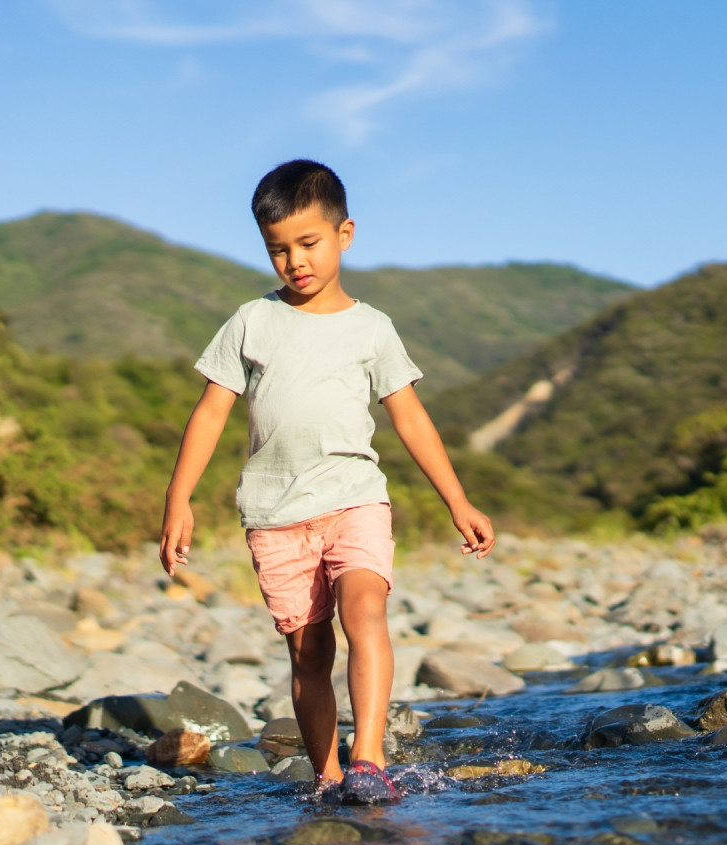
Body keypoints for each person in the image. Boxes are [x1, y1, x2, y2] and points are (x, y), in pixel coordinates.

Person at [158, 159, 495, 804]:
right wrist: (179, 501)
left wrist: (458, 499)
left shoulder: (372, 328)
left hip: (354, 499)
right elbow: (208, 413)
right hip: (274, 513)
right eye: (278, 250)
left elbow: (410, 418)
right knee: (309, 654)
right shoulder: (251, 322)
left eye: (308, 243)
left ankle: (367, 757)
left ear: (345, 234)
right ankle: (328, 778)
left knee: (364, 608)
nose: (295, 262)